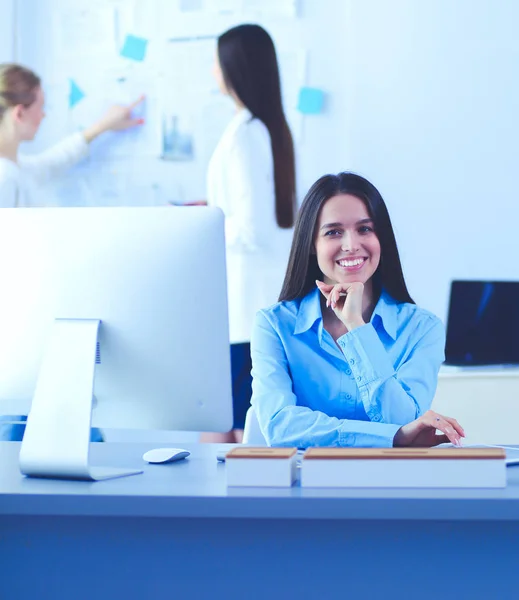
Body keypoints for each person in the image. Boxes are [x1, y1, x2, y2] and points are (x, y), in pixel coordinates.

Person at [250, 172, 465, 448]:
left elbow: (402, 420)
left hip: (390, 483)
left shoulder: (422, 329)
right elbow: (279, 427)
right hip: (305, 485)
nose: (351, 245)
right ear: (312, 245)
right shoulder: (274, 324)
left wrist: (356, 326)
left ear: (382, 239)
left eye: (365, 229)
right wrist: (390, 438)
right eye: (333, 232)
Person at [200, 24, 296, 443]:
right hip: (257, 295)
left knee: (237, 427)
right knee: (236, 421)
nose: (212, 71)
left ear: (234, 69)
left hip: (245, 299)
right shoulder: (268, 128)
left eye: (217, 62)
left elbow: (251, 225)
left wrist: (206, 228)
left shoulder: (245, 134)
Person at [0, 63, 144, 207]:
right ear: (19, 114)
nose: (43, 115)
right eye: (40, 107)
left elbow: (50, 163)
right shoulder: (5, 177)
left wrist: (103, 126)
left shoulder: (14, 165)